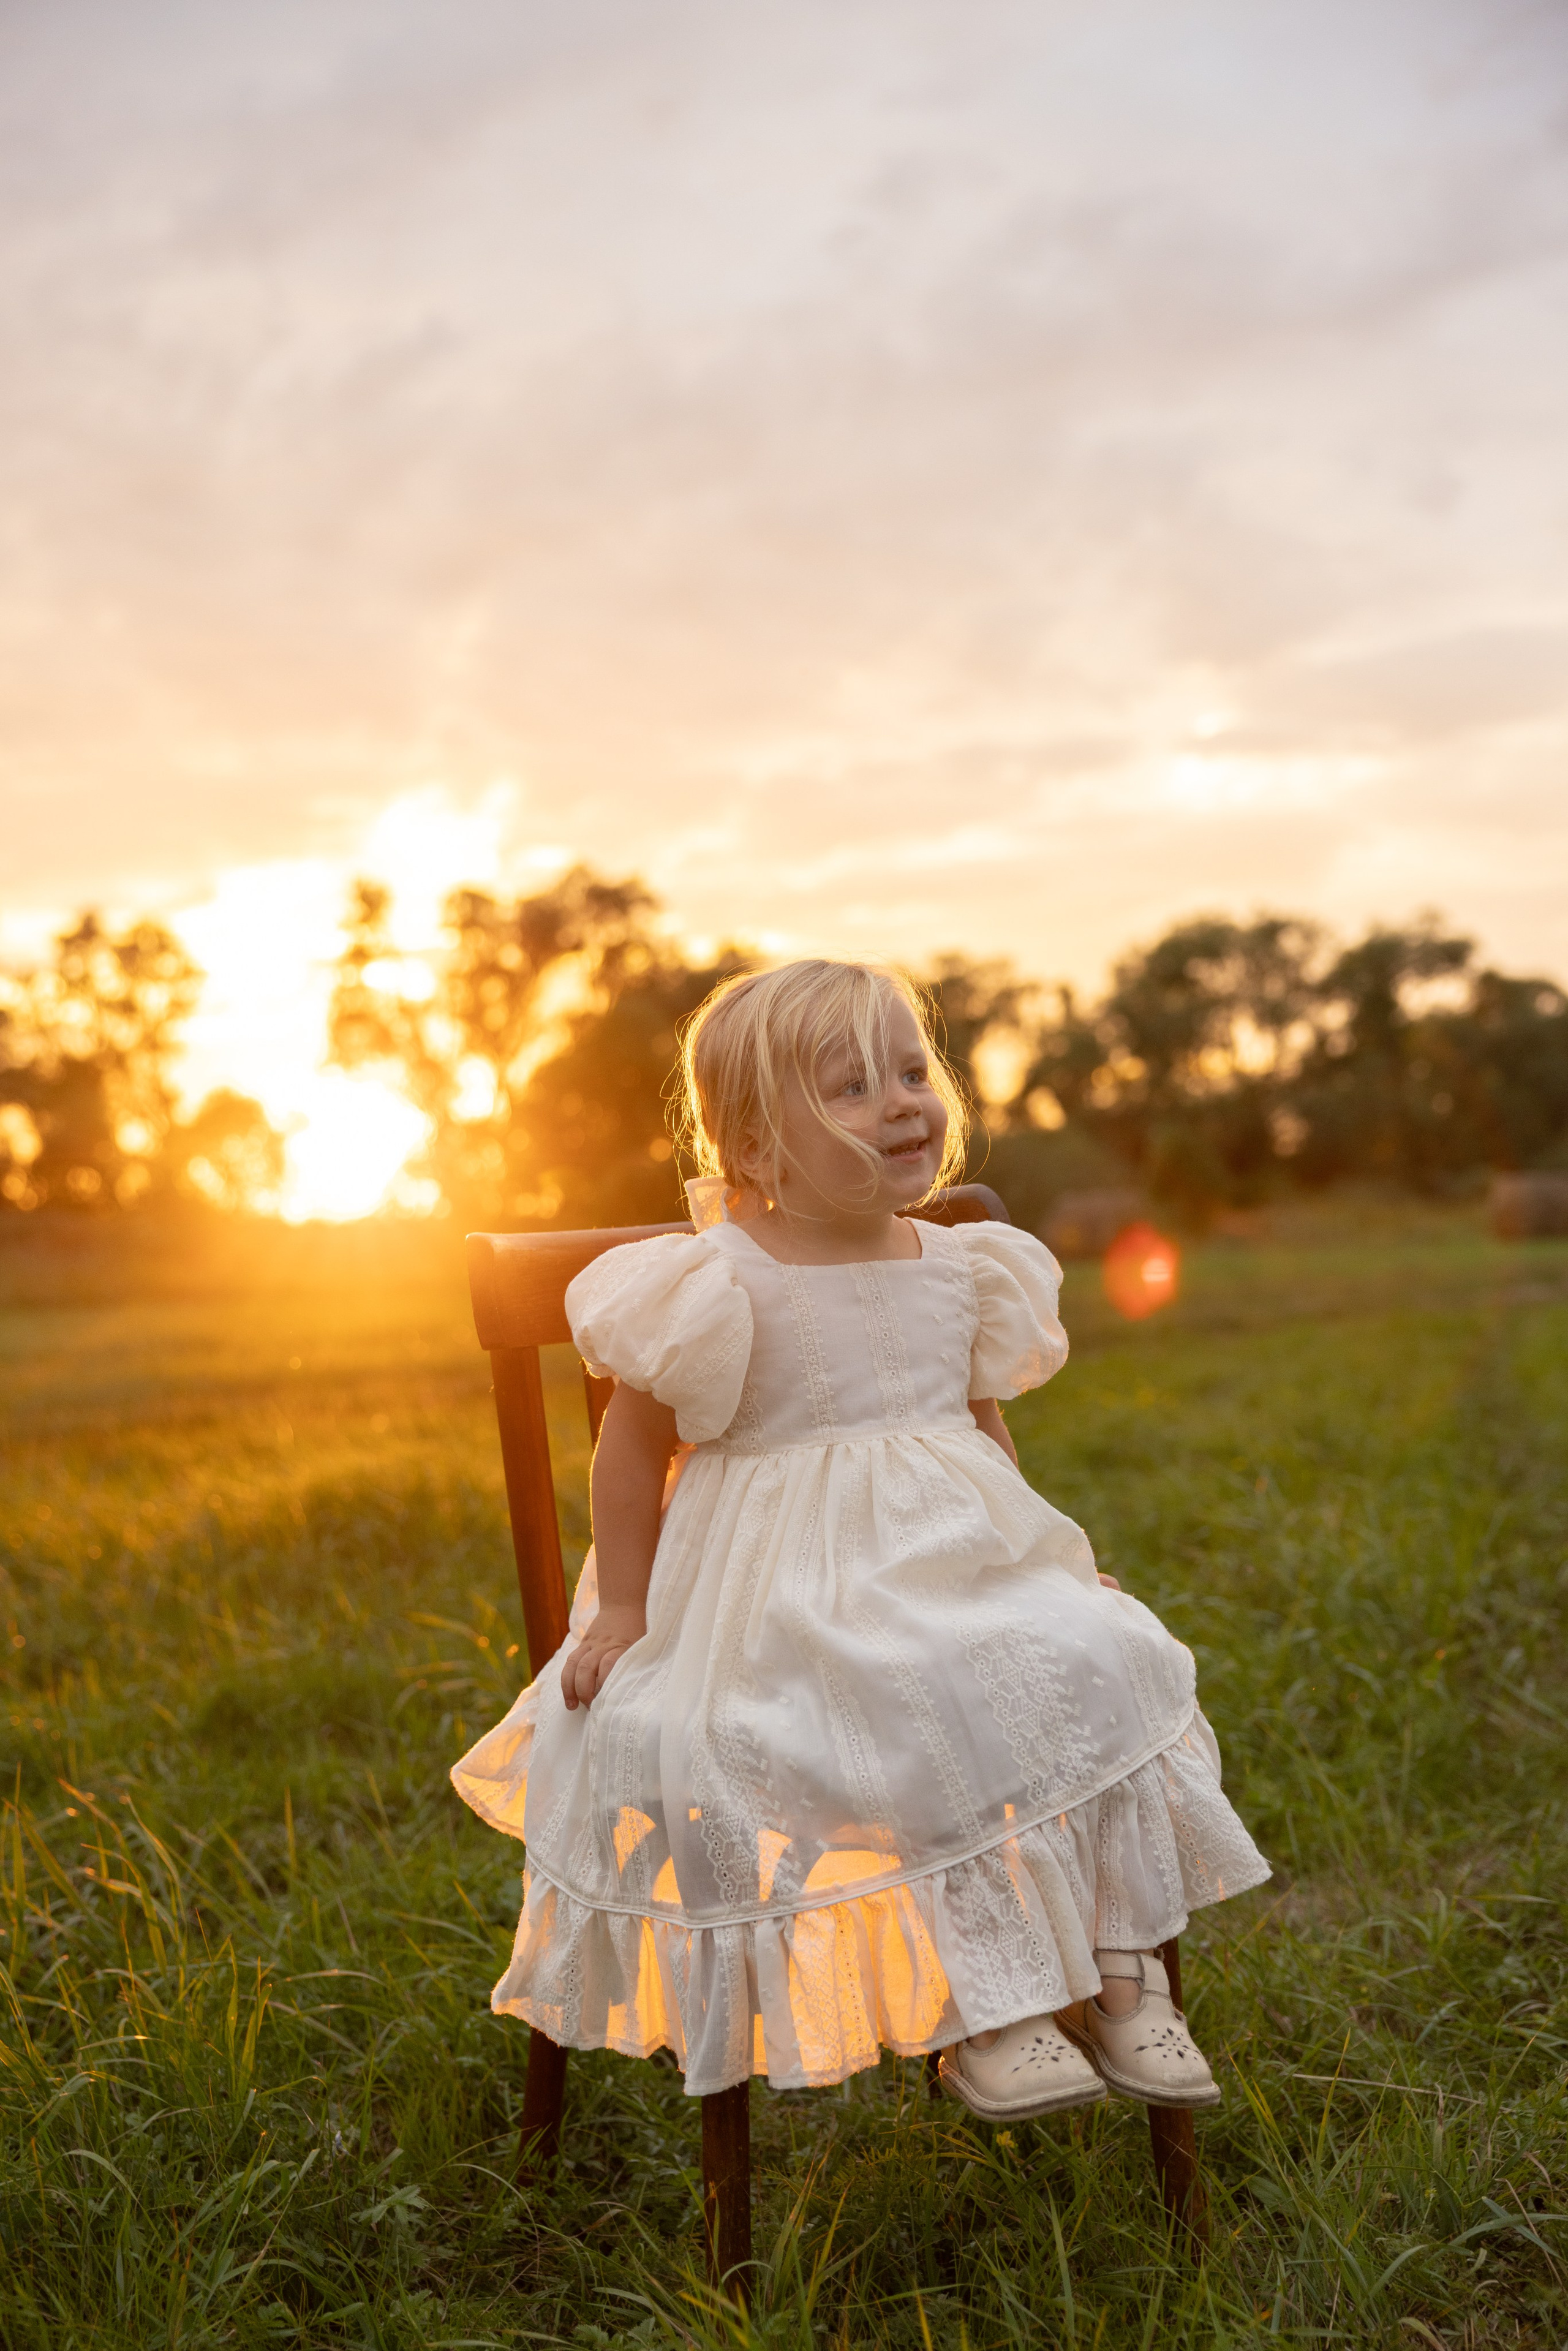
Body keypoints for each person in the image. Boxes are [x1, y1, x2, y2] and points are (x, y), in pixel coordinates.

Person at [452, 959, 1268, 2118]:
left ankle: (1118, 1975)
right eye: (847, 1087)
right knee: (901, 1689)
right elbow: (630, 1454)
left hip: (955, 1562)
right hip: (780, 1594)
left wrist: (1053, 1563)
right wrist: (625, 1609)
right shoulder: (716, 1279)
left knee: (1105, 1651)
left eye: (907, 1070)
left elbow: (984, 1443)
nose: (899, 1101)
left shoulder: (957, 1266)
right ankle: (994, 2007)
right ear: (752, 1145)